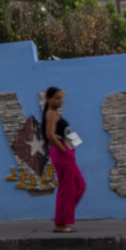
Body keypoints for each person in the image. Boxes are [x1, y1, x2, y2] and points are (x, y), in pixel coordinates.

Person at [42, 86, 86, 233]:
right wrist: (64, 151)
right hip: (62, 152)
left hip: (66, 151)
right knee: (66, 189)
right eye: (56, 98)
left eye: (61, 98)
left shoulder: (54, 113)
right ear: (48, 99)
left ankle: (62, 215)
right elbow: (50, 135)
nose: (60, 101)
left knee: (79, 186)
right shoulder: (51, 114)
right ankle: (60, 224)